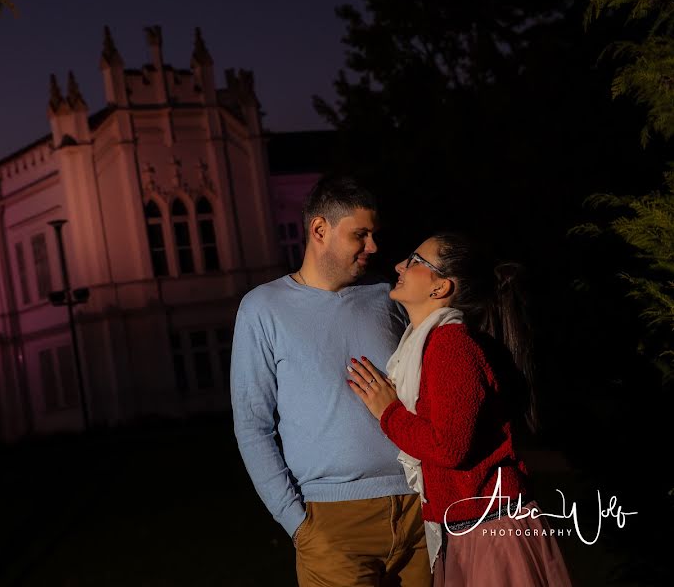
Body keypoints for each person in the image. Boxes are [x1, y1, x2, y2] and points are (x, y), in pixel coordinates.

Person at [231, 177, 431, 586]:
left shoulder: (387, 297)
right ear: (319, 230)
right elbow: (253, 425)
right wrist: (298, 524)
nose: (373, 247)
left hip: (417, 512)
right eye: (360, 234)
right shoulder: (262, 308)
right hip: (333, 526)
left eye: (374, 234)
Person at [346, 233, 572, 586]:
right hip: (473, 528)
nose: (399, 266)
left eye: (415, 261)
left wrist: (389, 413)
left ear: (440, 288)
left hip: (491, 531)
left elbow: (449, 447)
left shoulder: (452, 346)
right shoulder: (434, 344)